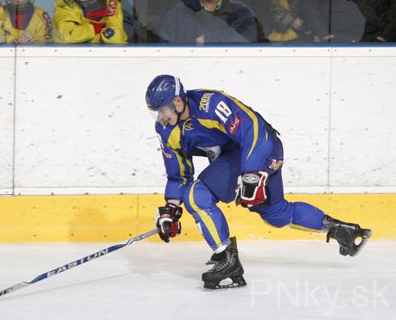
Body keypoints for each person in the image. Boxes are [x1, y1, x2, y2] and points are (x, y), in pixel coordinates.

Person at [145, 74, 372, 290]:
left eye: (163, 110)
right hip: (247, 157)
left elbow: (252, 128)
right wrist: (171, 209)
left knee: (197, 196)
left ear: (178, 101)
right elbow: (179, 174)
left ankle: (226, 259)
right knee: (276, 213)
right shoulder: (166, 130)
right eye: (156, 112)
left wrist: (251, 173)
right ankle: (342, 230)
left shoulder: (210, 103)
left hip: (259, 149)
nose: (161, 117)